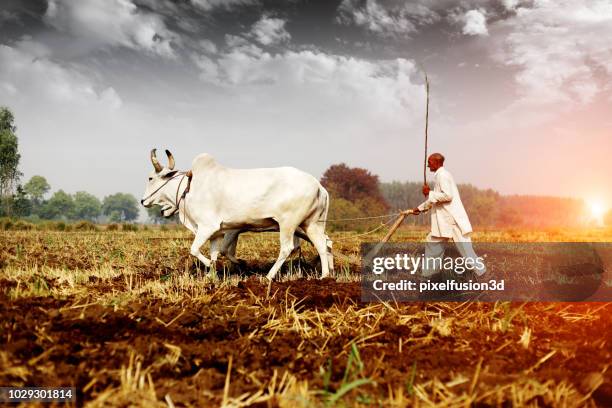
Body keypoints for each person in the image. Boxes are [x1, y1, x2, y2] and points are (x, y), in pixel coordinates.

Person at [411, 153, 486, 277]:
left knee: (466, 250)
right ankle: (428, 275)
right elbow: (435, 199)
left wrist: (429, 192)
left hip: (452, 220)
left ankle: (482, 274)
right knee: (432, 243)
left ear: (437, 163)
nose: (427, 164)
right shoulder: (440, 176)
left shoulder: (443, 176)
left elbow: (447, 196)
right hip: (444, 221)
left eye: (429, 162)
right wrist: (420, 208)